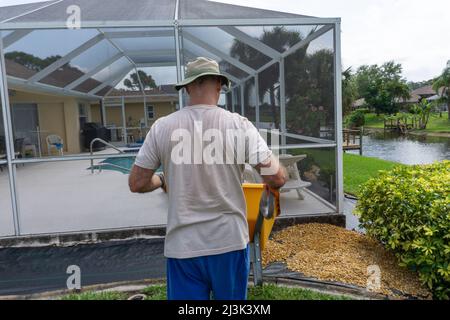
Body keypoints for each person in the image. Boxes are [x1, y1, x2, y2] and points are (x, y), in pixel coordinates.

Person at [128, 57, 287, 300]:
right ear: (219, 86)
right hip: (229, 243)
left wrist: (161, 179)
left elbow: (137, 183)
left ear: (188, 87)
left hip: (183, 247)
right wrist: (276, 172)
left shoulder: (162, 127)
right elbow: (275, 177)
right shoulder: (239, 125)